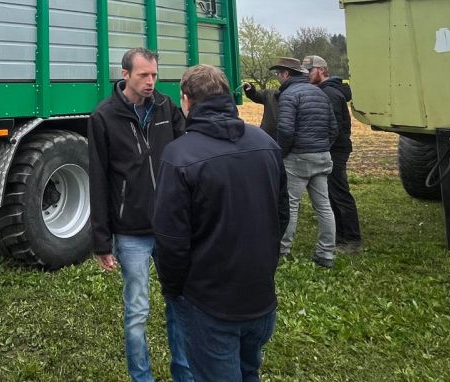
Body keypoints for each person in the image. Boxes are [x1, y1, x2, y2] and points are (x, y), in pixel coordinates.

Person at [155, 65, 288, 382]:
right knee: (248, 371)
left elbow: (171, 242)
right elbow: (281, 215)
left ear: (186, 101)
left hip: (209, 305)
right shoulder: (266, 144)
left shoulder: (179, 156)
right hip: (261, 299)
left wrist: (174, 291)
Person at [88, 47, 191, 382]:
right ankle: (141, 377)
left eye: (154, 75)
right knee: (137, 310)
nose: (151, 82)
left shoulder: (165, 107)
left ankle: (184, 373)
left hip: (170, 226)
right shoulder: (103, 117)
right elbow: (99, 179)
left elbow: (186, 153)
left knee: (180, 302)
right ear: (125, 75)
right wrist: (102, 241)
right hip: (131, 231)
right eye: (143, 75)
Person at [272, 56, 338, 268]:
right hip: (322, 156)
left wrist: (282, 154)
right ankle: (326, 253)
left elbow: (285, 130)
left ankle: (283, 252)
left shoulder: (289, 95)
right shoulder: (319, 92)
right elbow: (333, 128)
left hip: (298, 159)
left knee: (290, 205)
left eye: (278, 74)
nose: (277, 78)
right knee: (324, 206)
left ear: (286, 74)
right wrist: (323, 147)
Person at [302, 55, 362, 253]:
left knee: (339, 192)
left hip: (335, 149)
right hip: (331, 148)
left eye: (309, 71)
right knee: (331, 192)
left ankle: (352, 239)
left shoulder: (330, 94)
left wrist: (321, 146)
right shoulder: (326, 91)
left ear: (321, 70)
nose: (307, 75)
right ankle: (339, 235)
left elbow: (333, 127)